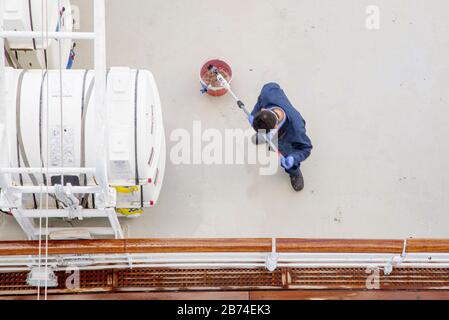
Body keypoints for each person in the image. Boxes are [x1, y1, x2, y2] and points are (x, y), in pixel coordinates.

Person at [249, 83, 313, 191]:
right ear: (264, 110)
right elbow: (261, 98)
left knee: (287, 155)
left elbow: (306, 148)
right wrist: (254, 113)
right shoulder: (268, 93)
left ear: (275, 127)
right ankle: (264, 137)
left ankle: (294, 172)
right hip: (272, 127)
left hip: (285, 139)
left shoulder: (297, 128)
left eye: (266, 133)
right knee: (265, 133)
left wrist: (294, 158)